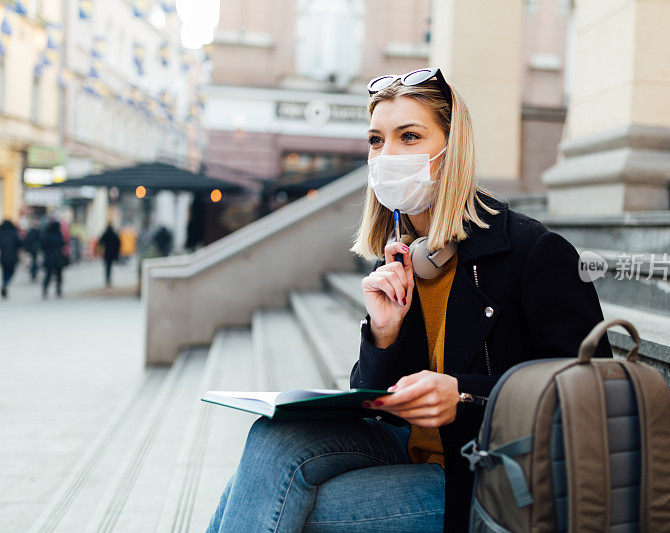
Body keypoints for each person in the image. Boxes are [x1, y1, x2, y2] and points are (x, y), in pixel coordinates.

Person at [206, 67, 612, 532]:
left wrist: (465, 395)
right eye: (376, 140)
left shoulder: (533, 252)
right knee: (272, 442)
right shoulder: (408, 256)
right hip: (414, 449)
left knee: (273, 501)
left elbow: (594, 392)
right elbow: (378, 399)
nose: (388, 155)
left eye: (410, 136)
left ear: (450, 148)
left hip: (494, 473)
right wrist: (384, 333)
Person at [41, 219, 66, 298]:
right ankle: (58, 289)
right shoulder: (59, 235)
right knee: (58, 275)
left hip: (48, 257)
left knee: (48, 275)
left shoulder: (46, 235)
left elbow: (42, 246)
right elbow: (62, 244)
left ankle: (45, 289)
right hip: (58, 257)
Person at [0, 219, 23, 299]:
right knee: (11, 272)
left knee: (5, 272)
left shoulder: (1, 234)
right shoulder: (14, 234)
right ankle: (5, 284)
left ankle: (4, 284)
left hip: (3, 257)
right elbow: (20, 243)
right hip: (13, 257)